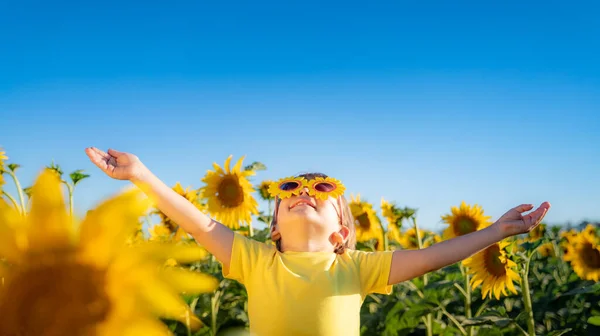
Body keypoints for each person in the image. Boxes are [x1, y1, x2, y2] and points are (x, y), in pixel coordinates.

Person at [85, 147, 550, 336]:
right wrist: (140, 174)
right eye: (289, 191)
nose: (303, 194)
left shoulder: (356, 268)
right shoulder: (255, 261)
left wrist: (495, 232)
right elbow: (199, 223)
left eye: (321, 191)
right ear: (273, 229)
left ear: (343, 233)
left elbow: (432, 257)